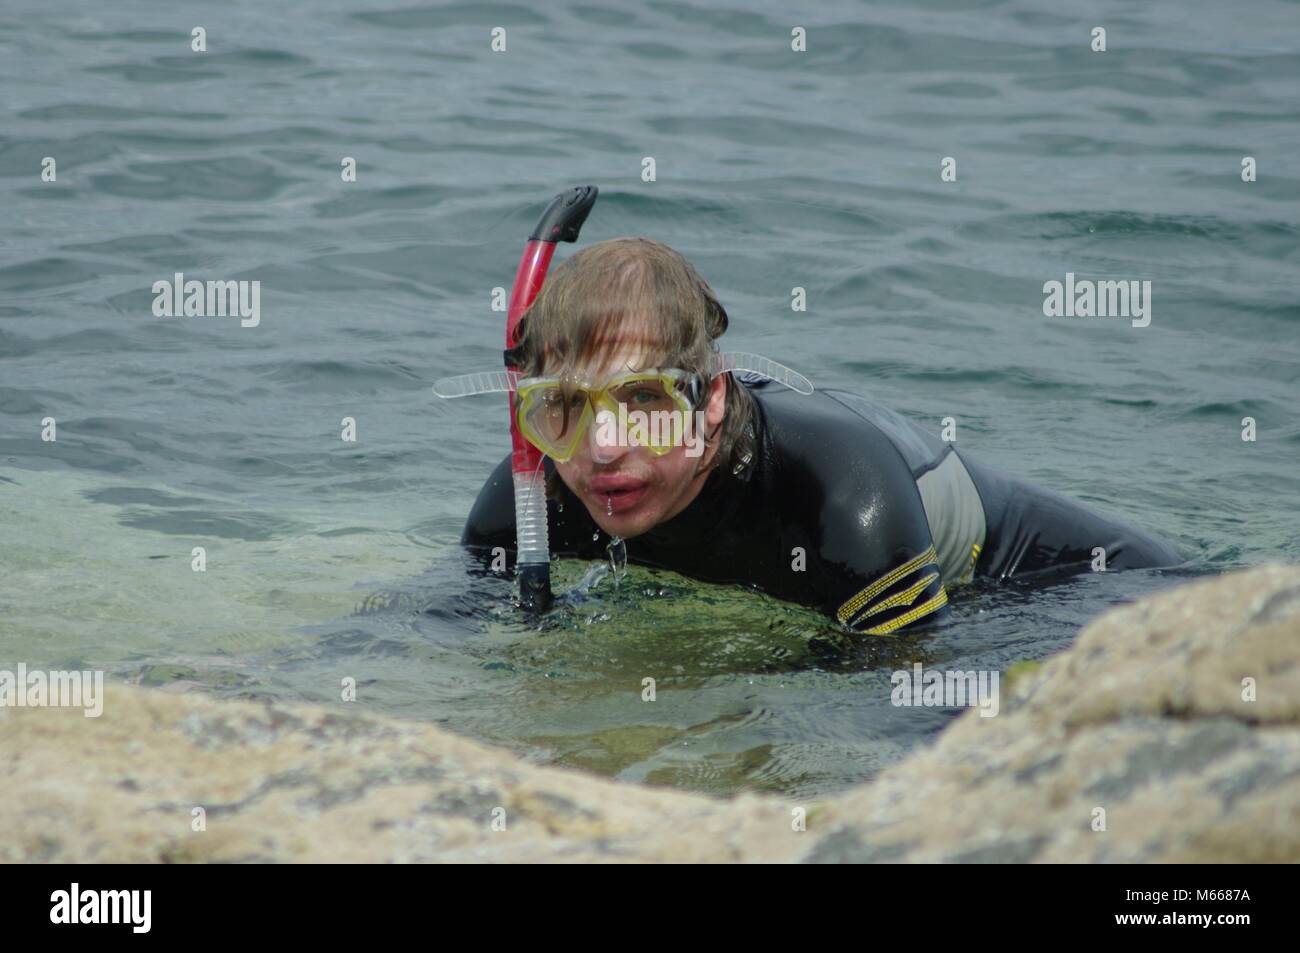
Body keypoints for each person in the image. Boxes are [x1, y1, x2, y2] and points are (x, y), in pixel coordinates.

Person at [457, 238, 1180, 635]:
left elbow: (903, 708)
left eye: (646, 398)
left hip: (1084, 590)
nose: (602, 447)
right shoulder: (535, 490)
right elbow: (439, 621)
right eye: (565, 406)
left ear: (711, 398)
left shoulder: (841, 494)